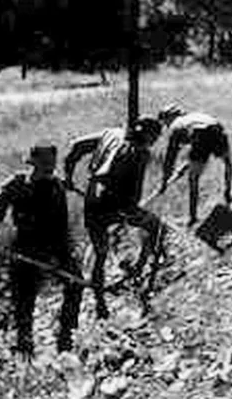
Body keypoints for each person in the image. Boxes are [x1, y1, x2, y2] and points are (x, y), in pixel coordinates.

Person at [0, 145, 82, 357]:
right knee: (23, 299)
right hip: (26, 246)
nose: (50, 168)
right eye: (45, 164)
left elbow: (62, 223)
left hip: (56, 245)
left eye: (52, 164)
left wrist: (65, 253)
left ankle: (66, 336)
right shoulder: (17, 184)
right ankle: (24, 345)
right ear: (33, 163)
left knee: (75, 284)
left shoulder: (56, 185)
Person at [62, 116, 165, 320]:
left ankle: (100, 304)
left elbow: (76, 147)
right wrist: (130, 212)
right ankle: (141, 270)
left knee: (100, 254)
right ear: (149, 135)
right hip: (115, 203)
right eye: (155, 137)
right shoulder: (140, 152)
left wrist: (68, 176)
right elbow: (131, 191)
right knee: (156, 227)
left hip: (93, 200)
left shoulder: (109, 133)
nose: (155, 141)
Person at [156, 103, 232, 227]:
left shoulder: (176, 127)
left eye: (165, 122)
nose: (166, 125)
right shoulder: (193, 117)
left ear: (169, 117)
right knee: (227, 162)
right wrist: (187, 166)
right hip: (217, 128)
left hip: (200, 135)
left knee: (193, 179)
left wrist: (164, 182)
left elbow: (170, 159)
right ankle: (228, 192)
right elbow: (200, 142)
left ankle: (192, 217)